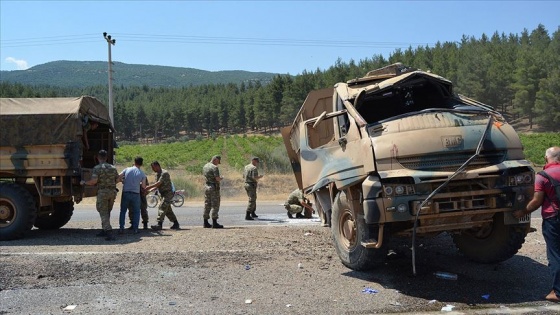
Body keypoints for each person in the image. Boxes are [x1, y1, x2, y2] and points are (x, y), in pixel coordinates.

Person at [513, 146, 560, 302]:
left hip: (553, 220)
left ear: (546, 159)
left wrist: (521, 213)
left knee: (555, 255)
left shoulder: (543, 176)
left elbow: (536, 201)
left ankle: (558, 293)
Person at [80, 150, 118, 241]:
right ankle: (104, 229)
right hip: (112, 192)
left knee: (103, 212)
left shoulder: (97, 168)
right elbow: (117, 179)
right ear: (107, 158)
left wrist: (84, 182)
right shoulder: (113, 168)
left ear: (97, 158)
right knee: (107, 211)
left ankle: (109, 232)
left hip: (103, 192)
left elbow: (94, 181)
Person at [146, 161, 180, 231]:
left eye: (153, 167)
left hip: (168, 193)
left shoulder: (164, 173)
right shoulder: (157, 174)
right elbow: (157, 186)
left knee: (162, 207)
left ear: (157, 166)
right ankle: (176, 223)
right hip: (162, 193)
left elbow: (158, 183)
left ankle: (159, 224)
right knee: (167, 210)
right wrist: (149, 191)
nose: (152, 169)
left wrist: (148, 187)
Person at [117, 156, 147, 234]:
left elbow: (118, 177)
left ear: (134, 162)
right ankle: (135, 229)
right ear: (141, 164)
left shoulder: (127, 169)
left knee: (123, 211)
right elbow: (143, 186)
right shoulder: (142, 174)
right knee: (137, 212)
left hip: (126, 192)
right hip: (136, 194)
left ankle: (121, 228)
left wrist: (122, 181)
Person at [202, 155, 224, 228]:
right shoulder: (214, 168)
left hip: (207, 186)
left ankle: (205, 222)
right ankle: (214, 223)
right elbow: (217, 178)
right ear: (215, 160)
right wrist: (221, 178)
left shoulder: (205, 166)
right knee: (215, 204)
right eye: (218, 161)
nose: (218, 163)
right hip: (213, 188)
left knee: (207, 204)